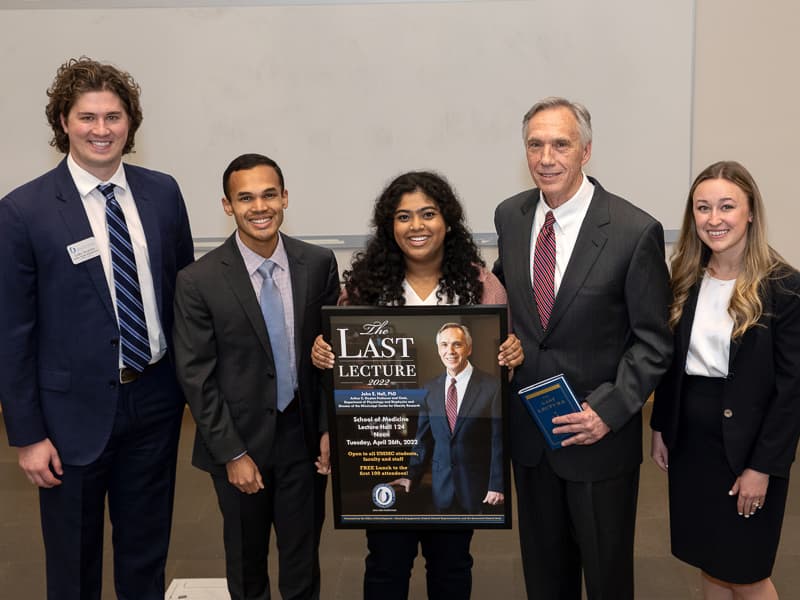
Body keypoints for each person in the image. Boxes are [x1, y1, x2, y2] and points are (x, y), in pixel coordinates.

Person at [0, 57, 194, 600]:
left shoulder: (162, 193)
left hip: (155, 402)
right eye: (87, 117)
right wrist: (28, 434)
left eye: (113, 117)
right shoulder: (23, 211)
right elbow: (12, 333)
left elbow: (182, 294)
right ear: (63, 121)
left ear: (130, 123)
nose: (101, 130)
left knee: (146, 553)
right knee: (73, 562)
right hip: (67, 418)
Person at [311, 170, 523, 600]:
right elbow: (344, 377)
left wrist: (512, 358)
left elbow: (500, 379)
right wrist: (324, 356)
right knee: (386, 566)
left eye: (428, 214)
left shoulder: (484, 287)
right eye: (404, 216)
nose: (417, 226)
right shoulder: (360, 291)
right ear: (390, 226)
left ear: (447, 221)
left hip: (461, 468)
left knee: (452, 566)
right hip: (382, 457)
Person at [493, 96, 673, 599]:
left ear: (586, 151)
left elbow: (653, 343)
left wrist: (607, 411)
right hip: (530, 438)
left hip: (597, 439)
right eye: (535, 145)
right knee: (544, 578)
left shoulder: (635, 231)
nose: (546, 157)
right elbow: (511, 303)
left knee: (606, 576)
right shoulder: (511, 217)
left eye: (560, 144)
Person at [172, 153, 340, 600]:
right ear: (227, 205)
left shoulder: (318, 263)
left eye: (269, 194)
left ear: (285, 198)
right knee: (246, 564)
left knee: (303, 559)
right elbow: (196, 376)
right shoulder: (198, 280)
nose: (259, 206)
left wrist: (328, 429)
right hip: (238, 443)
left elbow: (326, 359)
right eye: (245, 197)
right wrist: (232, 454)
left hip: (302, 439)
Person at [650, 161, 800, 600]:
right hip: (692, 444)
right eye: (702, 208)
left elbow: (792, 391)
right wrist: (662, 424)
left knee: (747, 571)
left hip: (749, 448)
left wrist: (763, 467)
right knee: (710, 561)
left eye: (726, 206)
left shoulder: (784, 288)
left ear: (750, 212)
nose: (713, 219)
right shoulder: (684, 279)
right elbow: (671, 363)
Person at [390, 323, 503, 514]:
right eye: (444, 345)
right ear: (438, 349)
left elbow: (498, 441)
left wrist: (497, 485)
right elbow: (422, 440)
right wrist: (411, 475)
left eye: (457, 344)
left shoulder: (493, 387)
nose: (449, 351)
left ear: (469, 348)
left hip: (480, 490)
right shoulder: (429, 389)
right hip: (441, 489)